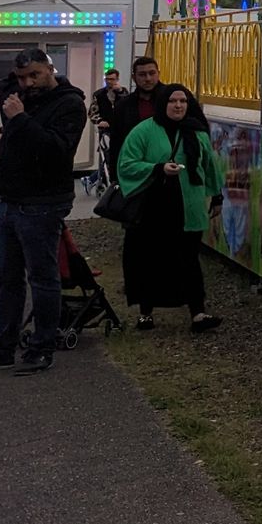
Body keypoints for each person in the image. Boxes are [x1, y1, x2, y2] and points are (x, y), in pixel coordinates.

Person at [0, 47, 86, 375]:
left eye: (34, 75)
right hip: (8, 199)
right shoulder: (19, 94)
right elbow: (2, 87)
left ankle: (42, 347)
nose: (28, 83)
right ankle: (3, 346)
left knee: (42, 278)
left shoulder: (69, 103)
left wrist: (20, 119)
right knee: (7, 277)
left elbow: (57, 150)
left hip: (43, 203)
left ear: (50, 69)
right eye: (22, 77)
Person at [117, 84, 224, 332]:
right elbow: (127, 164)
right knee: (150, 259)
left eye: (183, 101)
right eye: (173, 101)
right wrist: (158, 168)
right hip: (153, 208)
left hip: (188, 206)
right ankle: (146, 313)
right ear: (163, 104)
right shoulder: (144, 131)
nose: (178, 106)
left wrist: (217, 196)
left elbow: (209, 165)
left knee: (189, 259)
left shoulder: (197, 132)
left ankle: (198, 313)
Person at [90, 67, 126, 185]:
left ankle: (91, 180)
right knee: (108, 157)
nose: (109, 82)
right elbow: (92, 113)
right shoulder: (99, 94)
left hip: (122, 129)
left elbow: (129, 108)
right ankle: (108, 181)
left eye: (112, 79)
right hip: (106, 130)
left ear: (117, 79)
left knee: (121, 156)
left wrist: (120, 92)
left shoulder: (124, 93)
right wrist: (100, 121)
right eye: (107, 79)